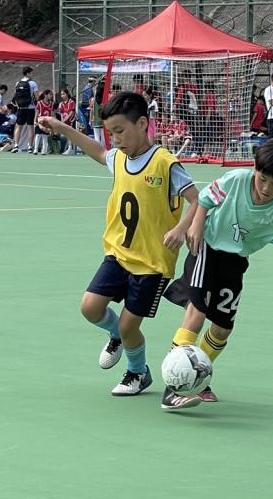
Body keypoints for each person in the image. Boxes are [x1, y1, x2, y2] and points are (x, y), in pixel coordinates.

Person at [35, 91, 199, 397]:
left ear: (143, 124)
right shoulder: (119, 159)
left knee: (128, 326)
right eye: (111, 133)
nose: (116, 139)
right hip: (118, 253)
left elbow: (197, 199)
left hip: (152, 263)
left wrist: (181, 228)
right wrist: (63, 127)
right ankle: (116, 336)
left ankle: (138, 372)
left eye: (120, 131)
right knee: (90, 308)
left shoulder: (165, 163)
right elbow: (98, 151)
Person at [160, 140, 273, 411]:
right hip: (207, 247)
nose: (266, 188)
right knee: (196, 313)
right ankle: (174, 386)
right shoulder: (236, 179)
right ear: (255, 169)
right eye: (263, 179)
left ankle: (197, 374)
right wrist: (196, 225)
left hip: (235, 262)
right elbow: (205, 199)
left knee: (222, 328)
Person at [9, 67, 36, 153]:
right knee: (30, 127)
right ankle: (30, 147)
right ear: (28, 73)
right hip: (30, 108)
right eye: (31, 73)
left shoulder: (18, 83)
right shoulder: (33, 83)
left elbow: (16, 96)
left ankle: (16, 145)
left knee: (18, 126)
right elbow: (37, 96)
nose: (32, 75)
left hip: (21, 108)